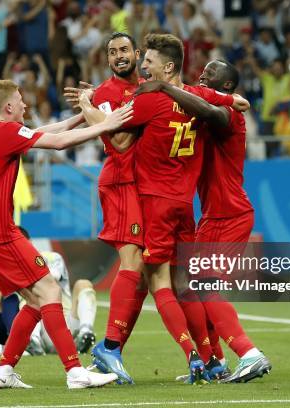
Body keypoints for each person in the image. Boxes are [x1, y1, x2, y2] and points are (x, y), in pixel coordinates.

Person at [76, 33, 247, 384]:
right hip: (184, 203)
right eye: (114, 52)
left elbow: (120, 140)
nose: (142, 67)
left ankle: (123, 348)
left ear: (162, 65)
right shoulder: (197, 98)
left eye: (145, 60)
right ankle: (211, 360)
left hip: (152, 199)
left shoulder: (151, 99)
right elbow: (237, 102)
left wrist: (87, 106)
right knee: (181, 282)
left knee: (155, 278)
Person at [0, 79, 132, 389]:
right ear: (9, 107)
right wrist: (105, 125)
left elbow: (48, 132)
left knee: (34, 300)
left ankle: (3, 371)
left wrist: (85, 114)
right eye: (21, 100)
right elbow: (58, 143)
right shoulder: (5, 132)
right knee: (50, 290)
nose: (26, 105)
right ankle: (75, 372)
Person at [137, 59, 271, 383]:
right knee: (195, 291)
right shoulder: (200, 107)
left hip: (232, 214)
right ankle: (217, 363)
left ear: (227, 87)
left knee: (206, 286)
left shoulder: (230, 115)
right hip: (210, 216)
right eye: (203, 71)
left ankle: (250, 353)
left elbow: (212, 112)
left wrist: (167, 86)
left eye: (211, 73)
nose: (203, 75)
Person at [63, 32, 147, 385]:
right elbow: (122, 141)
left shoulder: (148, 87)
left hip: (145, 186)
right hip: (122, 182)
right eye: (112, 52)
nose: (118, 56)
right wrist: (89, 105)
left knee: (146, 273)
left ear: (137, 54)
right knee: (133, 263)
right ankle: (109, 346)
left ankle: (112, 351)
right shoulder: (108, 95)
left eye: (124, 50)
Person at [15, 227, 97, 356]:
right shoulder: (13, 266)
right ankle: (33, 341)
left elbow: (51, 278)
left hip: (67, 323)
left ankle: (85, 334)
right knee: (29, 296)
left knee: (83, 284)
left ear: (29, 242)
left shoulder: (51, 257)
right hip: (42, 328)